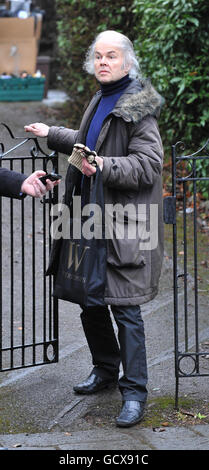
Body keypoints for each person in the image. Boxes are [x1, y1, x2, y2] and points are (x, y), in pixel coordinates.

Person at [24, 30, 164, 428]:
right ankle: (105, 370)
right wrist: (50, 134)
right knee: (90, 300)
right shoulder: (101, 98)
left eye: (112, 56)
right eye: (99, 56)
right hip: (88, 216)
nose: (104, 62)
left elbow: (148, 166)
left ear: (128, 62)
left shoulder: (138, 107)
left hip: (124, 225)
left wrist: (103, 166)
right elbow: (89, 144)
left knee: (125, 307)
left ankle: (134, 391)